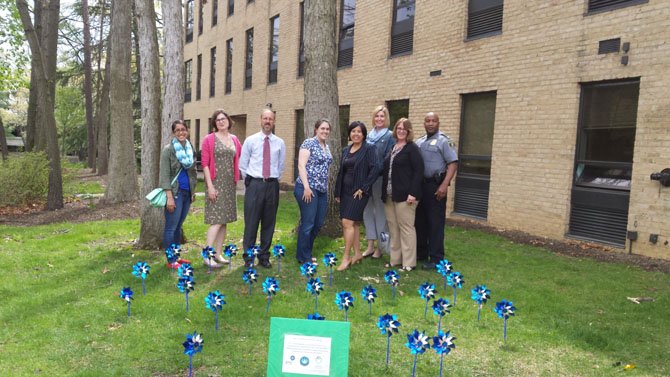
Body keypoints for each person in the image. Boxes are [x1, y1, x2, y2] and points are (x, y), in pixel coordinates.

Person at [239, 109, 286, 268]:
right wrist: (253, 182)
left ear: (274, 121)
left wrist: (271, 180)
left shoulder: (279, 142)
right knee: (251, 223)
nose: (267, 121)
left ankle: (264, 256)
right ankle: (249, 257)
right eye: (265, 118)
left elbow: (281, 166)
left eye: (270, 119)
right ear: (260, 120)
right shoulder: (250, 140)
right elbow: (243, 165)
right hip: (255, 185)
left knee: (269, 223)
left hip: (272, 186)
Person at [334, 121, 380, 271]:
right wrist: (338, 192)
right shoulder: (346, 150)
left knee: (347, 222)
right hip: (345, 192)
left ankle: (346, 257)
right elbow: (342, 172)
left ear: (364, 134)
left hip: (358, 192)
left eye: (359, 132)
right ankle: (358, 253)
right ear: (349, 134)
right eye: (353, 131)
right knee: (353, 224)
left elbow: (376, 168)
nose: (356, 134)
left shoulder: (369, 149)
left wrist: (364, 187)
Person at [415, 112, 458, 269]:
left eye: (434, 121)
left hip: (436, 187)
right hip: (420, 187)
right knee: (420, 222)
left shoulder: (444, 141)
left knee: (435, 223)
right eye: (428, 121)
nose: (431, 123)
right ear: (424, 123)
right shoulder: (419, 141)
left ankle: (436, 258)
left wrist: (444, 185)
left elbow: (452, 163)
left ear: (438, 123)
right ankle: (421, 253)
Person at [201, 109, 242, 268]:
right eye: (217, 120)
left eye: (223, 119)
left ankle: (218, 254)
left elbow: (238, 159)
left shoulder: (234, 139)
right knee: (216, 220)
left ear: (228, 120)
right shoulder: (209, 139)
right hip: (215, 183)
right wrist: (210, 186)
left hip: (229, 185)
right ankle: (207, 255)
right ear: (214, 123)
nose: (221, 122)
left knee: (224, 221)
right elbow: (204, 164)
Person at [381, 118, 424, 271]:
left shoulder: (412, 148)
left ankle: (409, 263)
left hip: (406, 197)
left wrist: (412, 193)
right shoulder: (393, 147)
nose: (400, 131)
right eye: (398, 128)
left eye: (404, 129)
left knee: (406, 228)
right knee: (393, 229)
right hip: (390, 195)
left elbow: (419, 172)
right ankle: (395, 260)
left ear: (408, 131)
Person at [294, 119, 334, 264]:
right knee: (308, 223)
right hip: (307, 189)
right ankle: (304, 257)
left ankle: (305, 253)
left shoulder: (326, 146)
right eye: (322, 128)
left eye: (327, 129)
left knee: (317, 224)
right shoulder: (309, 143)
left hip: (322, 190)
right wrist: (306, 187)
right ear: (316, 129)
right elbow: (301, 165)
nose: (325, 131)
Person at [362, 106, 395, 259]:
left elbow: (387, 159)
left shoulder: (389, 136)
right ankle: (370, 245)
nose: (379, 119)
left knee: (381, 214)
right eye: (377, 116)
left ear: (386, 118)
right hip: (365, 180)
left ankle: (381, 248)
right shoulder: (368, 135)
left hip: (379, 179)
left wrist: (374, 171)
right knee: (367, 211)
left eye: (382, 116)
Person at [160, 120, 198, 251]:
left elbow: (192, 172)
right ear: (173, 133)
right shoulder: (168, 150)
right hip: (175, 193)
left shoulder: (190, 148)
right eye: (177, 130)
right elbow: (164, 176)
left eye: (183, 129)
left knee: (178, 226)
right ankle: (171, 260)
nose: (181, 132)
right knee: (171, 228)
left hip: (187, 193)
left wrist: (192, 192)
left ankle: (176, 256)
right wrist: (169, 198)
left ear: (187, 131)